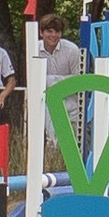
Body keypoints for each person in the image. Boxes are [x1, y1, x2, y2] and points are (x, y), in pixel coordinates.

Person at [36, 10, 87, 164]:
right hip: (47, 101)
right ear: (41, 33)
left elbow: (79, 80)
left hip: (72, 101)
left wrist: (50, 81)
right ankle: (53, 167)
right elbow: (34, 80)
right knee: (54, 138)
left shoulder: (72, 50)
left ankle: (74, 168)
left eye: (57, 31)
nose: (53, 35)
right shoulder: (34, 48)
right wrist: (61, 81)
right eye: (49, 31)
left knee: (73, 140)